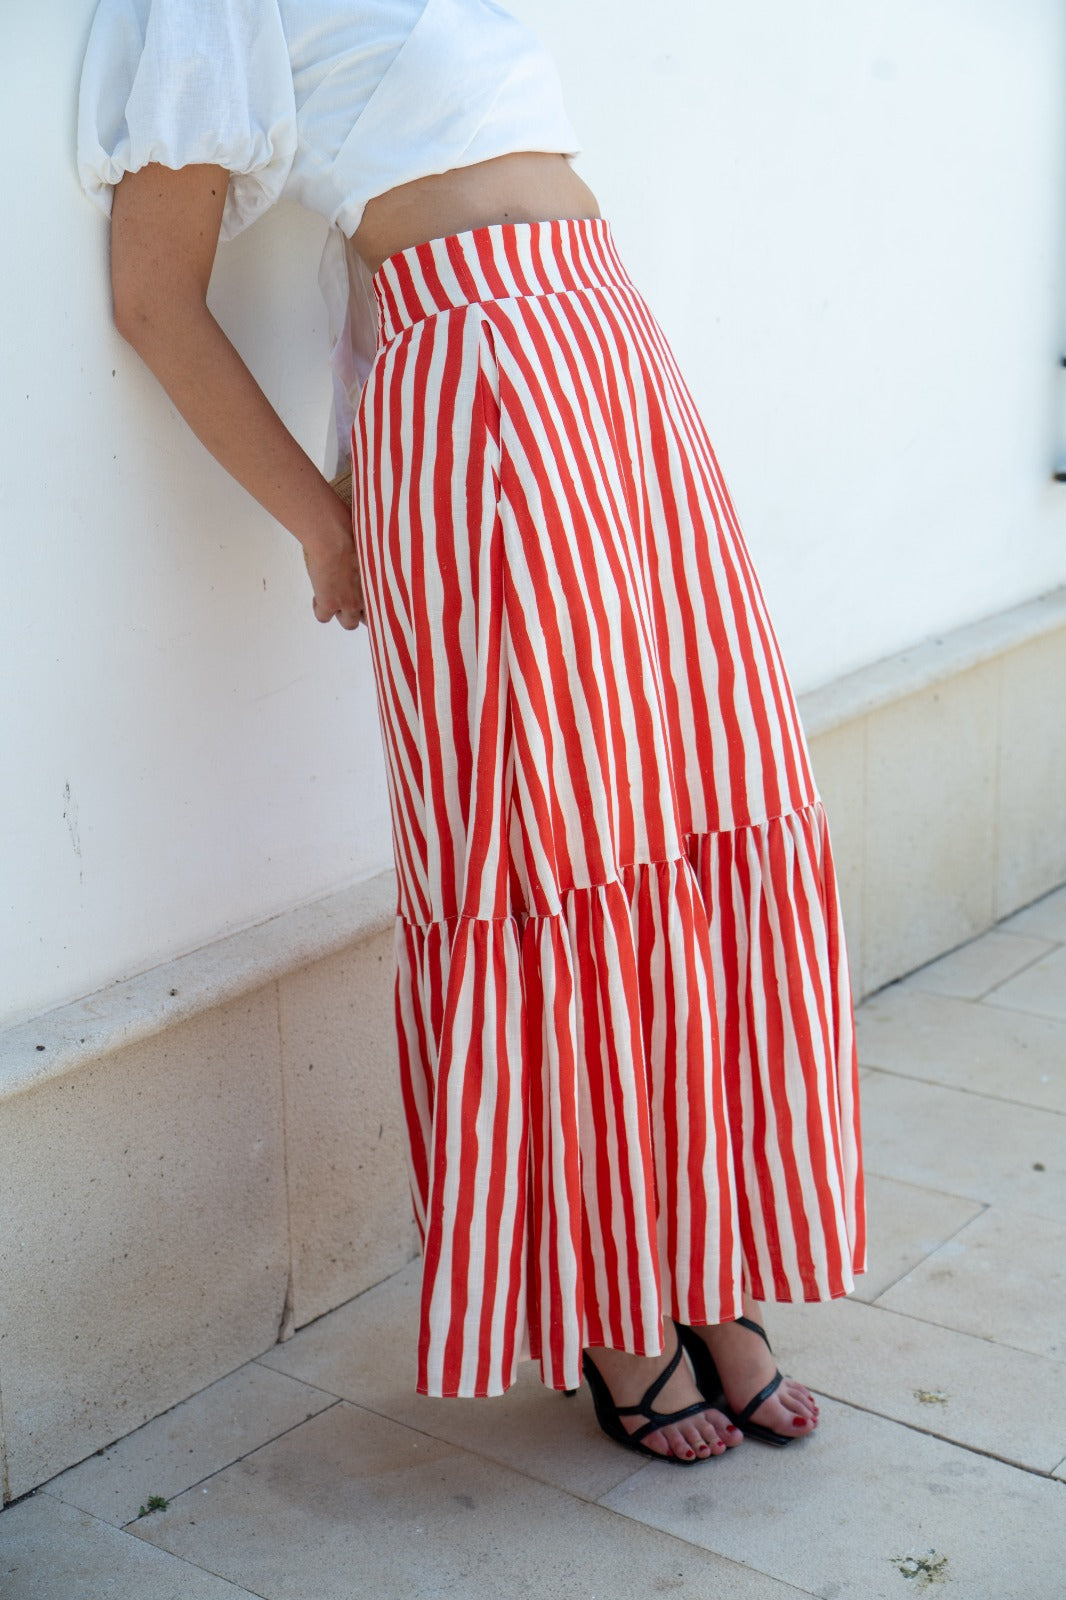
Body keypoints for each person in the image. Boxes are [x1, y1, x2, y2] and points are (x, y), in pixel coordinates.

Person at [78, 0, 865, 1466]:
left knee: (695, 809)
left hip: (612, 362)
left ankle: (705, 1267)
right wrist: (324, 525)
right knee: (552, 852)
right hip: (481, 403)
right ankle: (614, 1301)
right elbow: (152, 297)